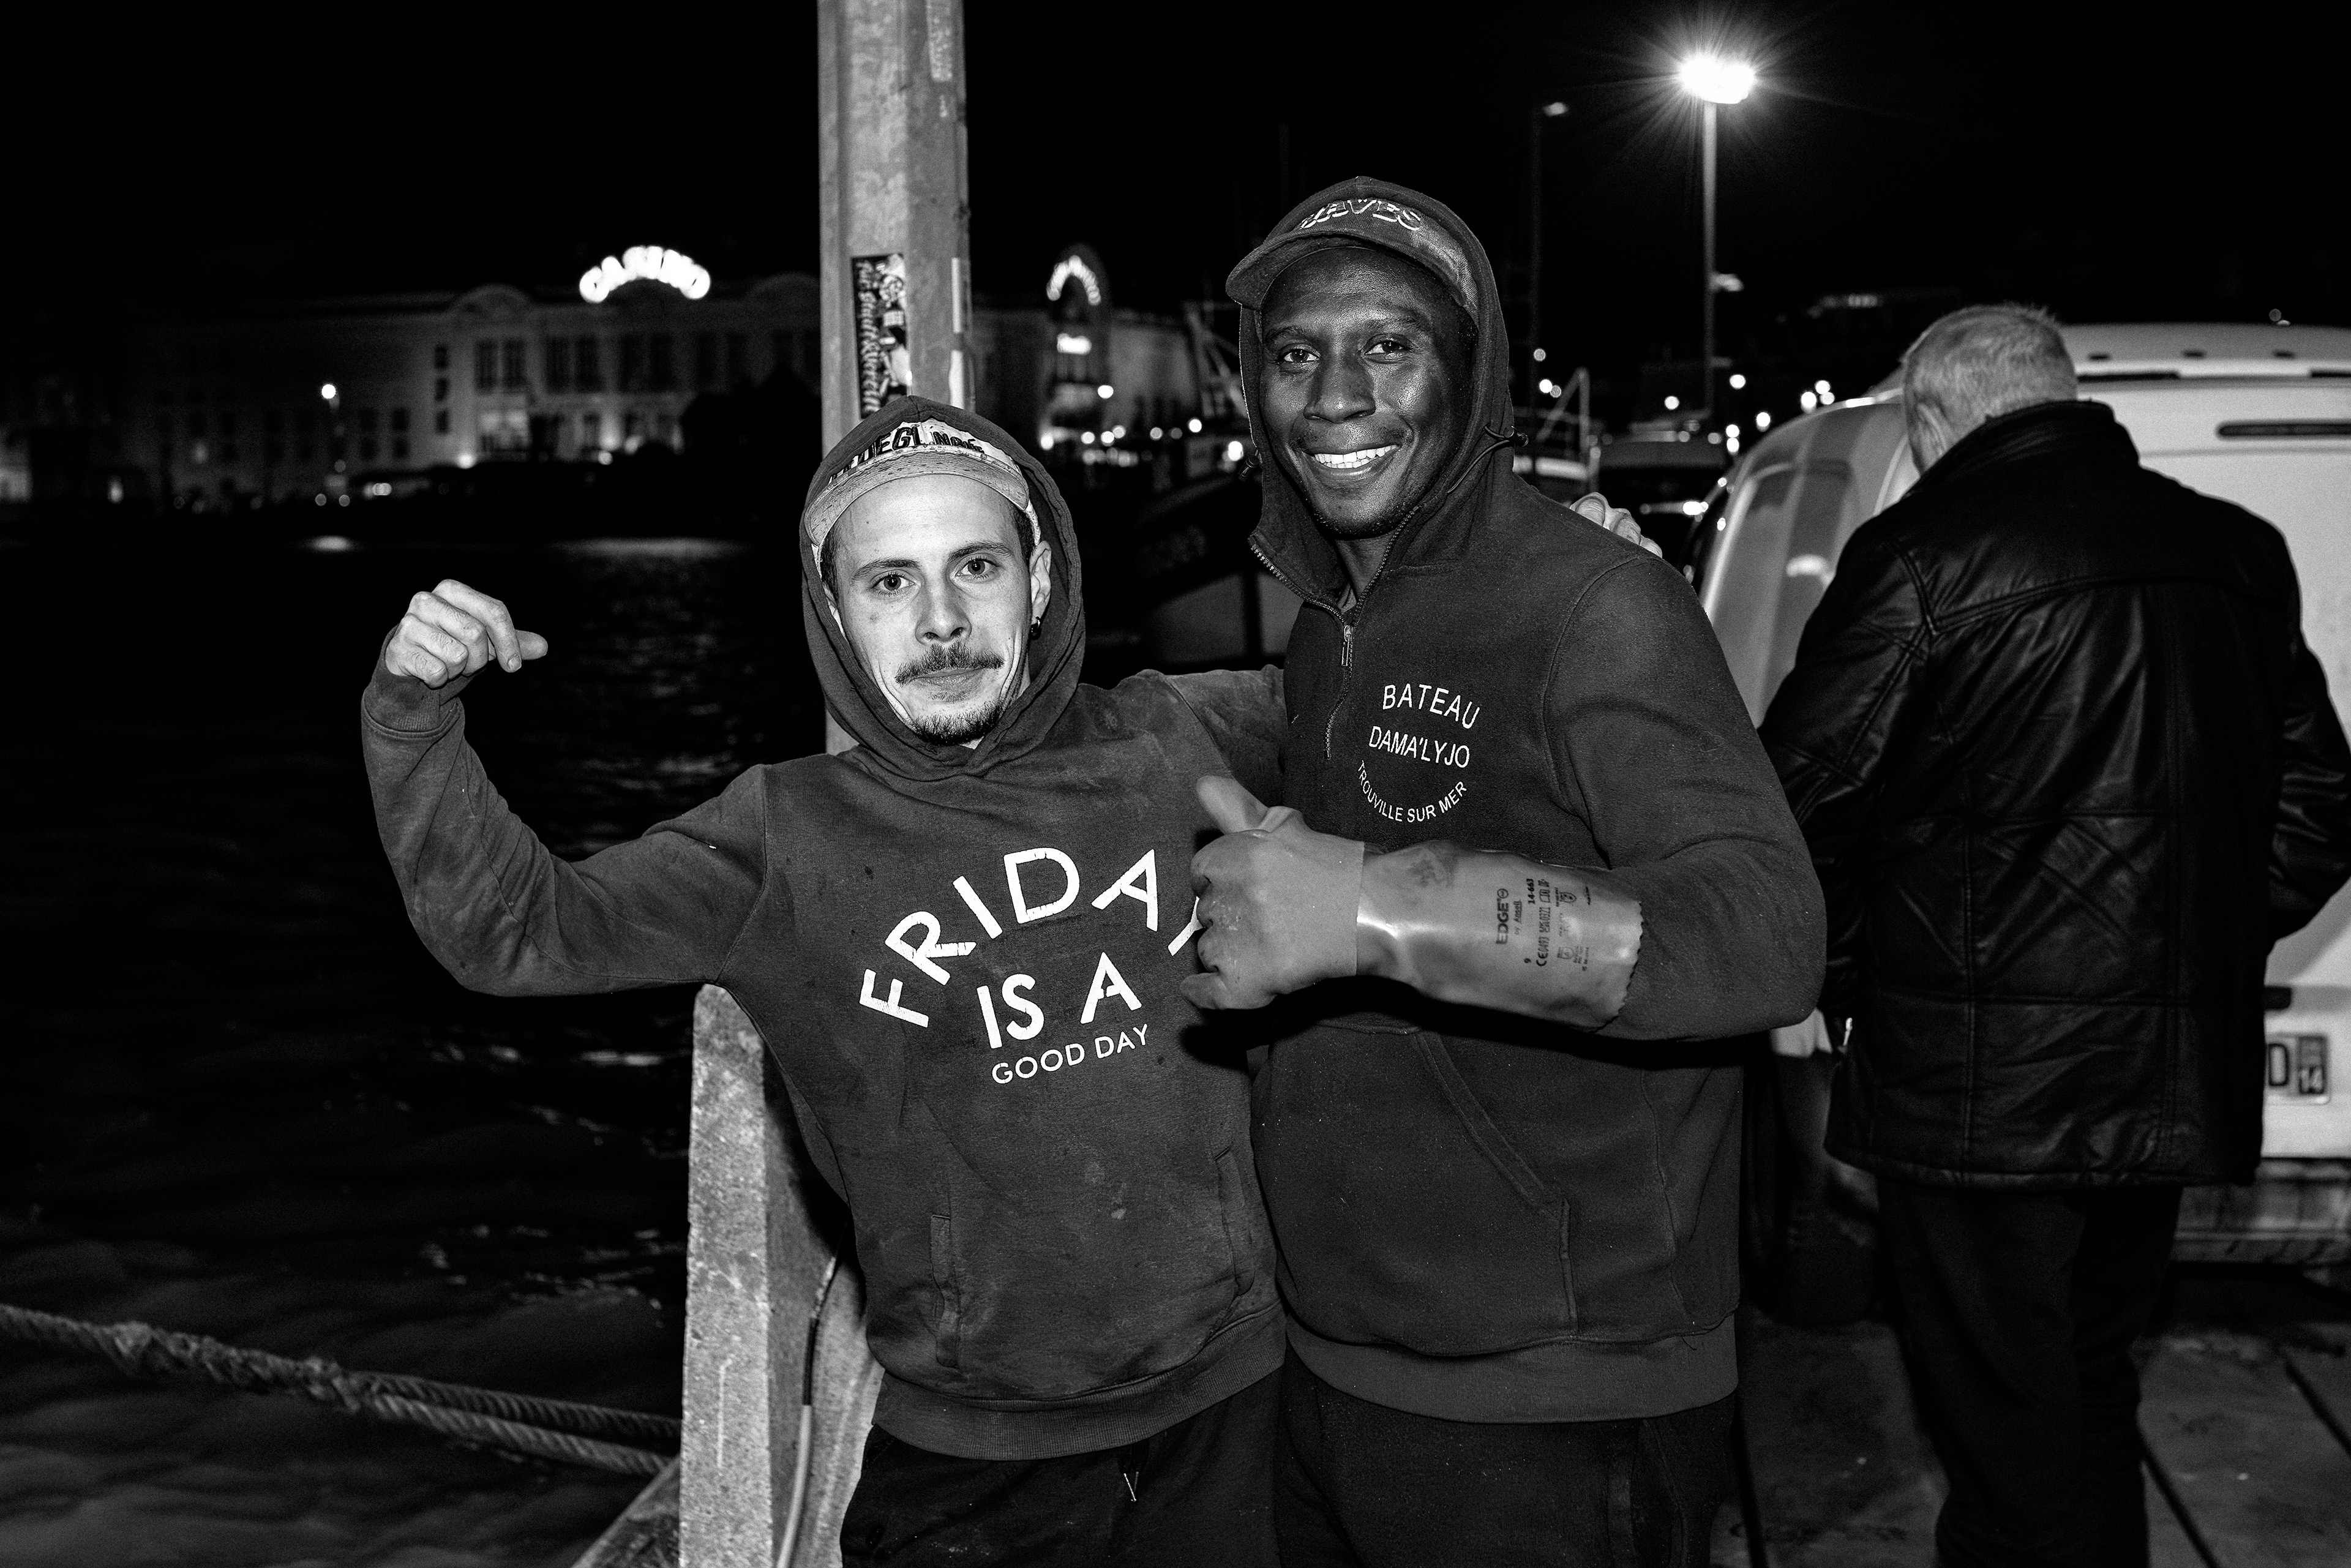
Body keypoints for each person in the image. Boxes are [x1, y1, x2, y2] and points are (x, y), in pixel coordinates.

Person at [362, 399, 1300, 1566]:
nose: (944, 619)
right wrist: (415, 714)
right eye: (890, 583)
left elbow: (1416, 698)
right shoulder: (779, 836)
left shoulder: (1184, 732)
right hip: (977, 1450)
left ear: (1042, 577)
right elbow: (511, 932)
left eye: (975, 565)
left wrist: (1577, 576)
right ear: (838, 614)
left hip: (1249, 1404)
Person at [1180, 176, 1826, 1568]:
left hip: (1554, 1407)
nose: (1337, 396)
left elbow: (1766, 934)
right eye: (1297, 354)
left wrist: (1369, 908)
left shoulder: (1598, 605)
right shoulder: (1330, 623)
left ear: (1467, 379)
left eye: (1389, 346)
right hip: (1344, 1363)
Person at [1758, 304, 2351, 1568]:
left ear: (1933, 416)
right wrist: (2191, 949)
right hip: (2157, 1086)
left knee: (2003, 1432)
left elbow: (1800, 803)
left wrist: (1856, 978)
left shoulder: (1919, 557)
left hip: (1979, 1097)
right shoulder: (2232, 552)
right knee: (2087, 1387)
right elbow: (2321, 807)